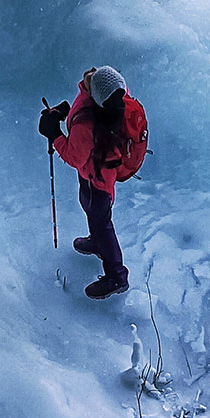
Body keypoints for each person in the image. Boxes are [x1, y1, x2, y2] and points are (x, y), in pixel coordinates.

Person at [39, 65, 132, 300]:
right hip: (98, 175)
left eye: (95, 78)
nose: (91, 71)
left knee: (100, 220)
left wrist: (55, 135)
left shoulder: (87, 126)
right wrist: (67, 111)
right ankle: (98, 243)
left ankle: (117, 277)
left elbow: (73, 155)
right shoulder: (111, 99)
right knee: (92, 211)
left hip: (96, 180)